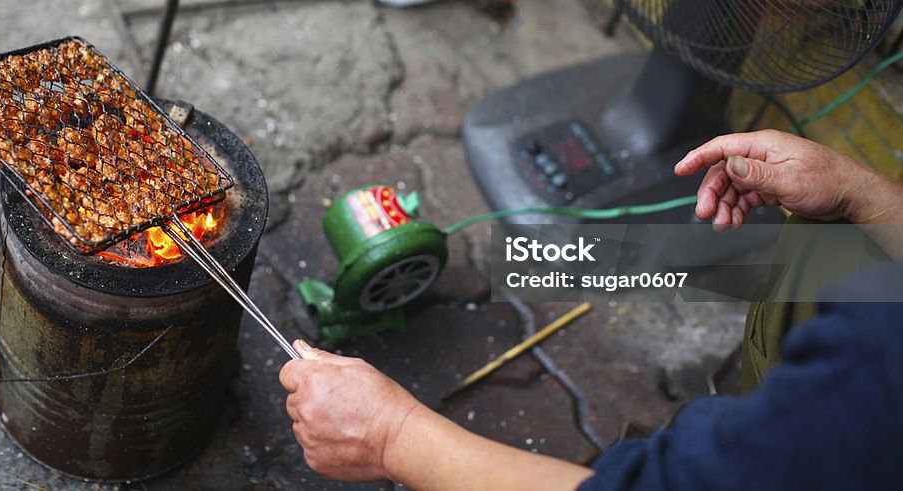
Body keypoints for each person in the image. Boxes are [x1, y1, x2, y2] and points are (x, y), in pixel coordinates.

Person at [280, 130, 903, 490]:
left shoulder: (878, 383)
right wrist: (862, 192)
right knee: (831, 234)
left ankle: (747, 436)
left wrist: (393, 437)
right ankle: (758, 411)